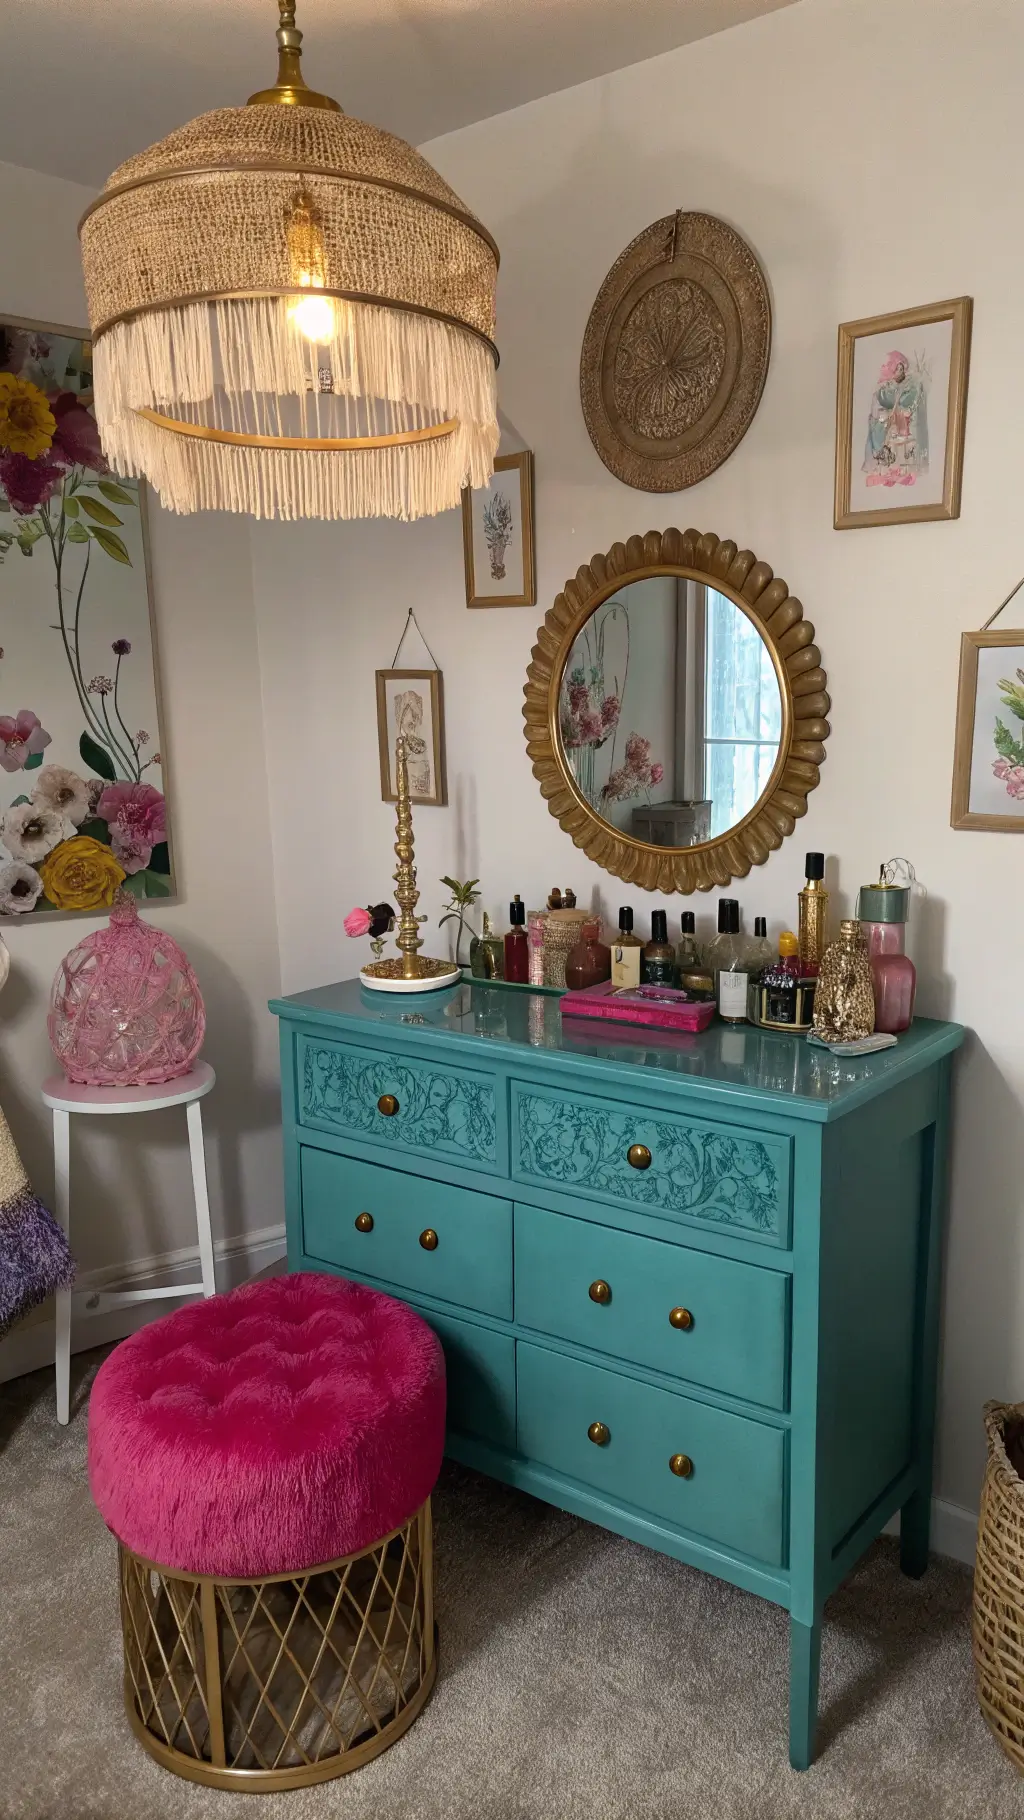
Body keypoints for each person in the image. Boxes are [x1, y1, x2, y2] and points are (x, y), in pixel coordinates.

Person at [862, 349, 929, 487]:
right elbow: (882, 404)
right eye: (896, 369)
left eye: (901, 368)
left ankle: (900, 470)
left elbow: (908, 405)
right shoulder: (884, 388)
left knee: (900, 440)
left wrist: (898, 413)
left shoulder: (912, 386)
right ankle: (887, 468)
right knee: (882, 430)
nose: (900, 371)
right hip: (889, 424)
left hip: (904, 424)